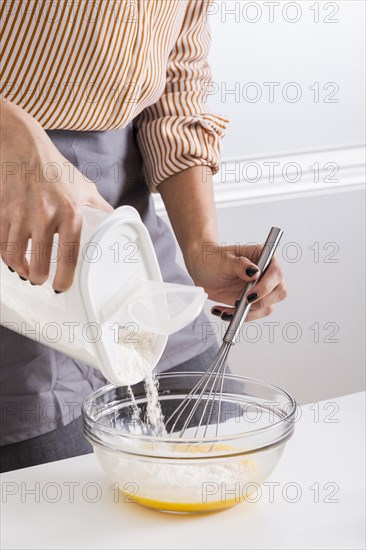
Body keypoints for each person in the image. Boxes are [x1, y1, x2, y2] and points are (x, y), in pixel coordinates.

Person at [0, 0, 287, 472]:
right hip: (19, 238)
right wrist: (13, 135)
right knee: (60, 504)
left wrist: (200, 246)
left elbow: (177, 73)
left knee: (221, 454)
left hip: (122, 227)